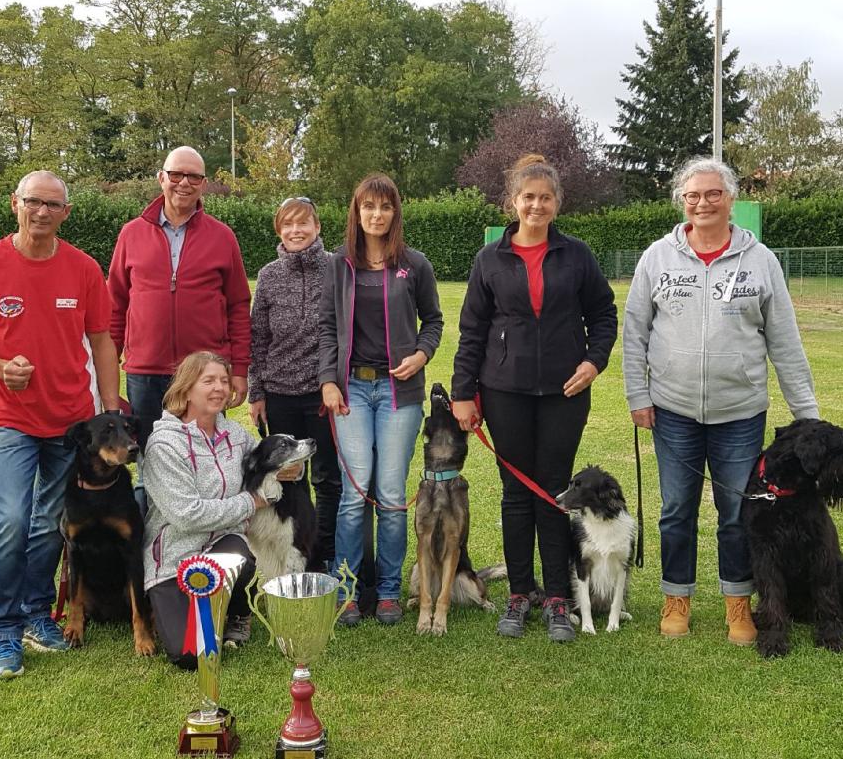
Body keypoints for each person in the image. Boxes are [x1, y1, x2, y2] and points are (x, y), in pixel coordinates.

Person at [622, 156, 819, 645]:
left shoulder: (761, 261)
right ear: (681, 201)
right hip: (673, 410)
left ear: (730, 199)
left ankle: (738, 605)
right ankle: (676, 599)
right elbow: (634, 334)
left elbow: (785, 342)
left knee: (737, 514)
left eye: (713, 194)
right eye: (693, 195)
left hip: (741, 414)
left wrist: (807, 415)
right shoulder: (657, 258)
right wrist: (638, 395)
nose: (703, 203)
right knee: (676, 511)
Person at [0, 170, 121, 679]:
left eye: (53, 205)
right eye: (32, 202)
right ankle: (1, 632)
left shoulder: (84, 269)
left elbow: (102, 340)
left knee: (49, 525)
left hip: (72, 422)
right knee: (12, 520)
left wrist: (108, 407)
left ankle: (37, 615)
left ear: (66, 213)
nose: (41, 212)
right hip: (10, 419)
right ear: (14, 204)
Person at [450, 153, 617, 643]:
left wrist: (593, 361)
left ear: (557, 204)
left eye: (545, 198)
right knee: (516, 494)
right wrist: (463, 394)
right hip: (505, 393)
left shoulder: (577, 255)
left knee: (554, 493)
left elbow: (604, 316)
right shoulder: (489, 260)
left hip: (566, 393)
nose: (536, 206)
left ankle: (558, 596)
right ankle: (520, 593)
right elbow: (471, 332)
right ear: (513, 202)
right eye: (528, 197)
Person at [319, 173, 443, 627]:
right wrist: (328, 381)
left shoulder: (416, 264)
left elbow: (434, 320)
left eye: (385, 207)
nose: (376, 214)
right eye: (368, 206)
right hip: (350, 389)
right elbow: (328, 329)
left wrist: (421, 354)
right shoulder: (337, 266)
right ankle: (349, 591)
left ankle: (389, 591)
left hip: (398, 393)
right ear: (357, 212)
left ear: (395, 212)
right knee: (355, 493)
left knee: (390, 495)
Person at [107, 146, 252, 512]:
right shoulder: (131, 234)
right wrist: (108, 368)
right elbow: (115, 306)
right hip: (145, 371)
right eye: (176, 175)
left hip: (203, 374)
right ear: (162, 178)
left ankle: (204, 551)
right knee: (148, 466)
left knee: (207, 462)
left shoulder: (222, 237)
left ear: (204, 184)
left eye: (194, 177)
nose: (184, 183)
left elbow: (237, 304)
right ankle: (150, 559)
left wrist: (239, 370)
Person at [142, 351, 289, 668]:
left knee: (240, 553)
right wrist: (252, 502)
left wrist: (290, 467)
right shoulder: (163, 444)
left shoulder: (235, 435)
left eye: (224, 380)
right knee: (190, 656)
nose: (220, 388)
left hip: (222, 542)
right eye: (208, 381)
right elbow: (187, 515)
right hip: (173, 559)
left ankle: (237, 611)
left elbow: (266, 461)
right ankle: (193, 609)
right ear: (185, 389)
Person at [248, 196, 342, 567]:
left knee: (328, 478)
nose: (295, 231)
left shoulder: (337, 269)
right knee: (289, 479)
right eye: (287, 224)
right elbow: (258, 337)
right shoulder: (269, 275)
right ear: (279, 231)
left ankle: (327, 554)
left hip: (324, 392)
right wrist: (257, 392)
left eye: (303, 223)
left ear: (317, 227)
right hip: (279, 394)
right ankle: (297, 550)